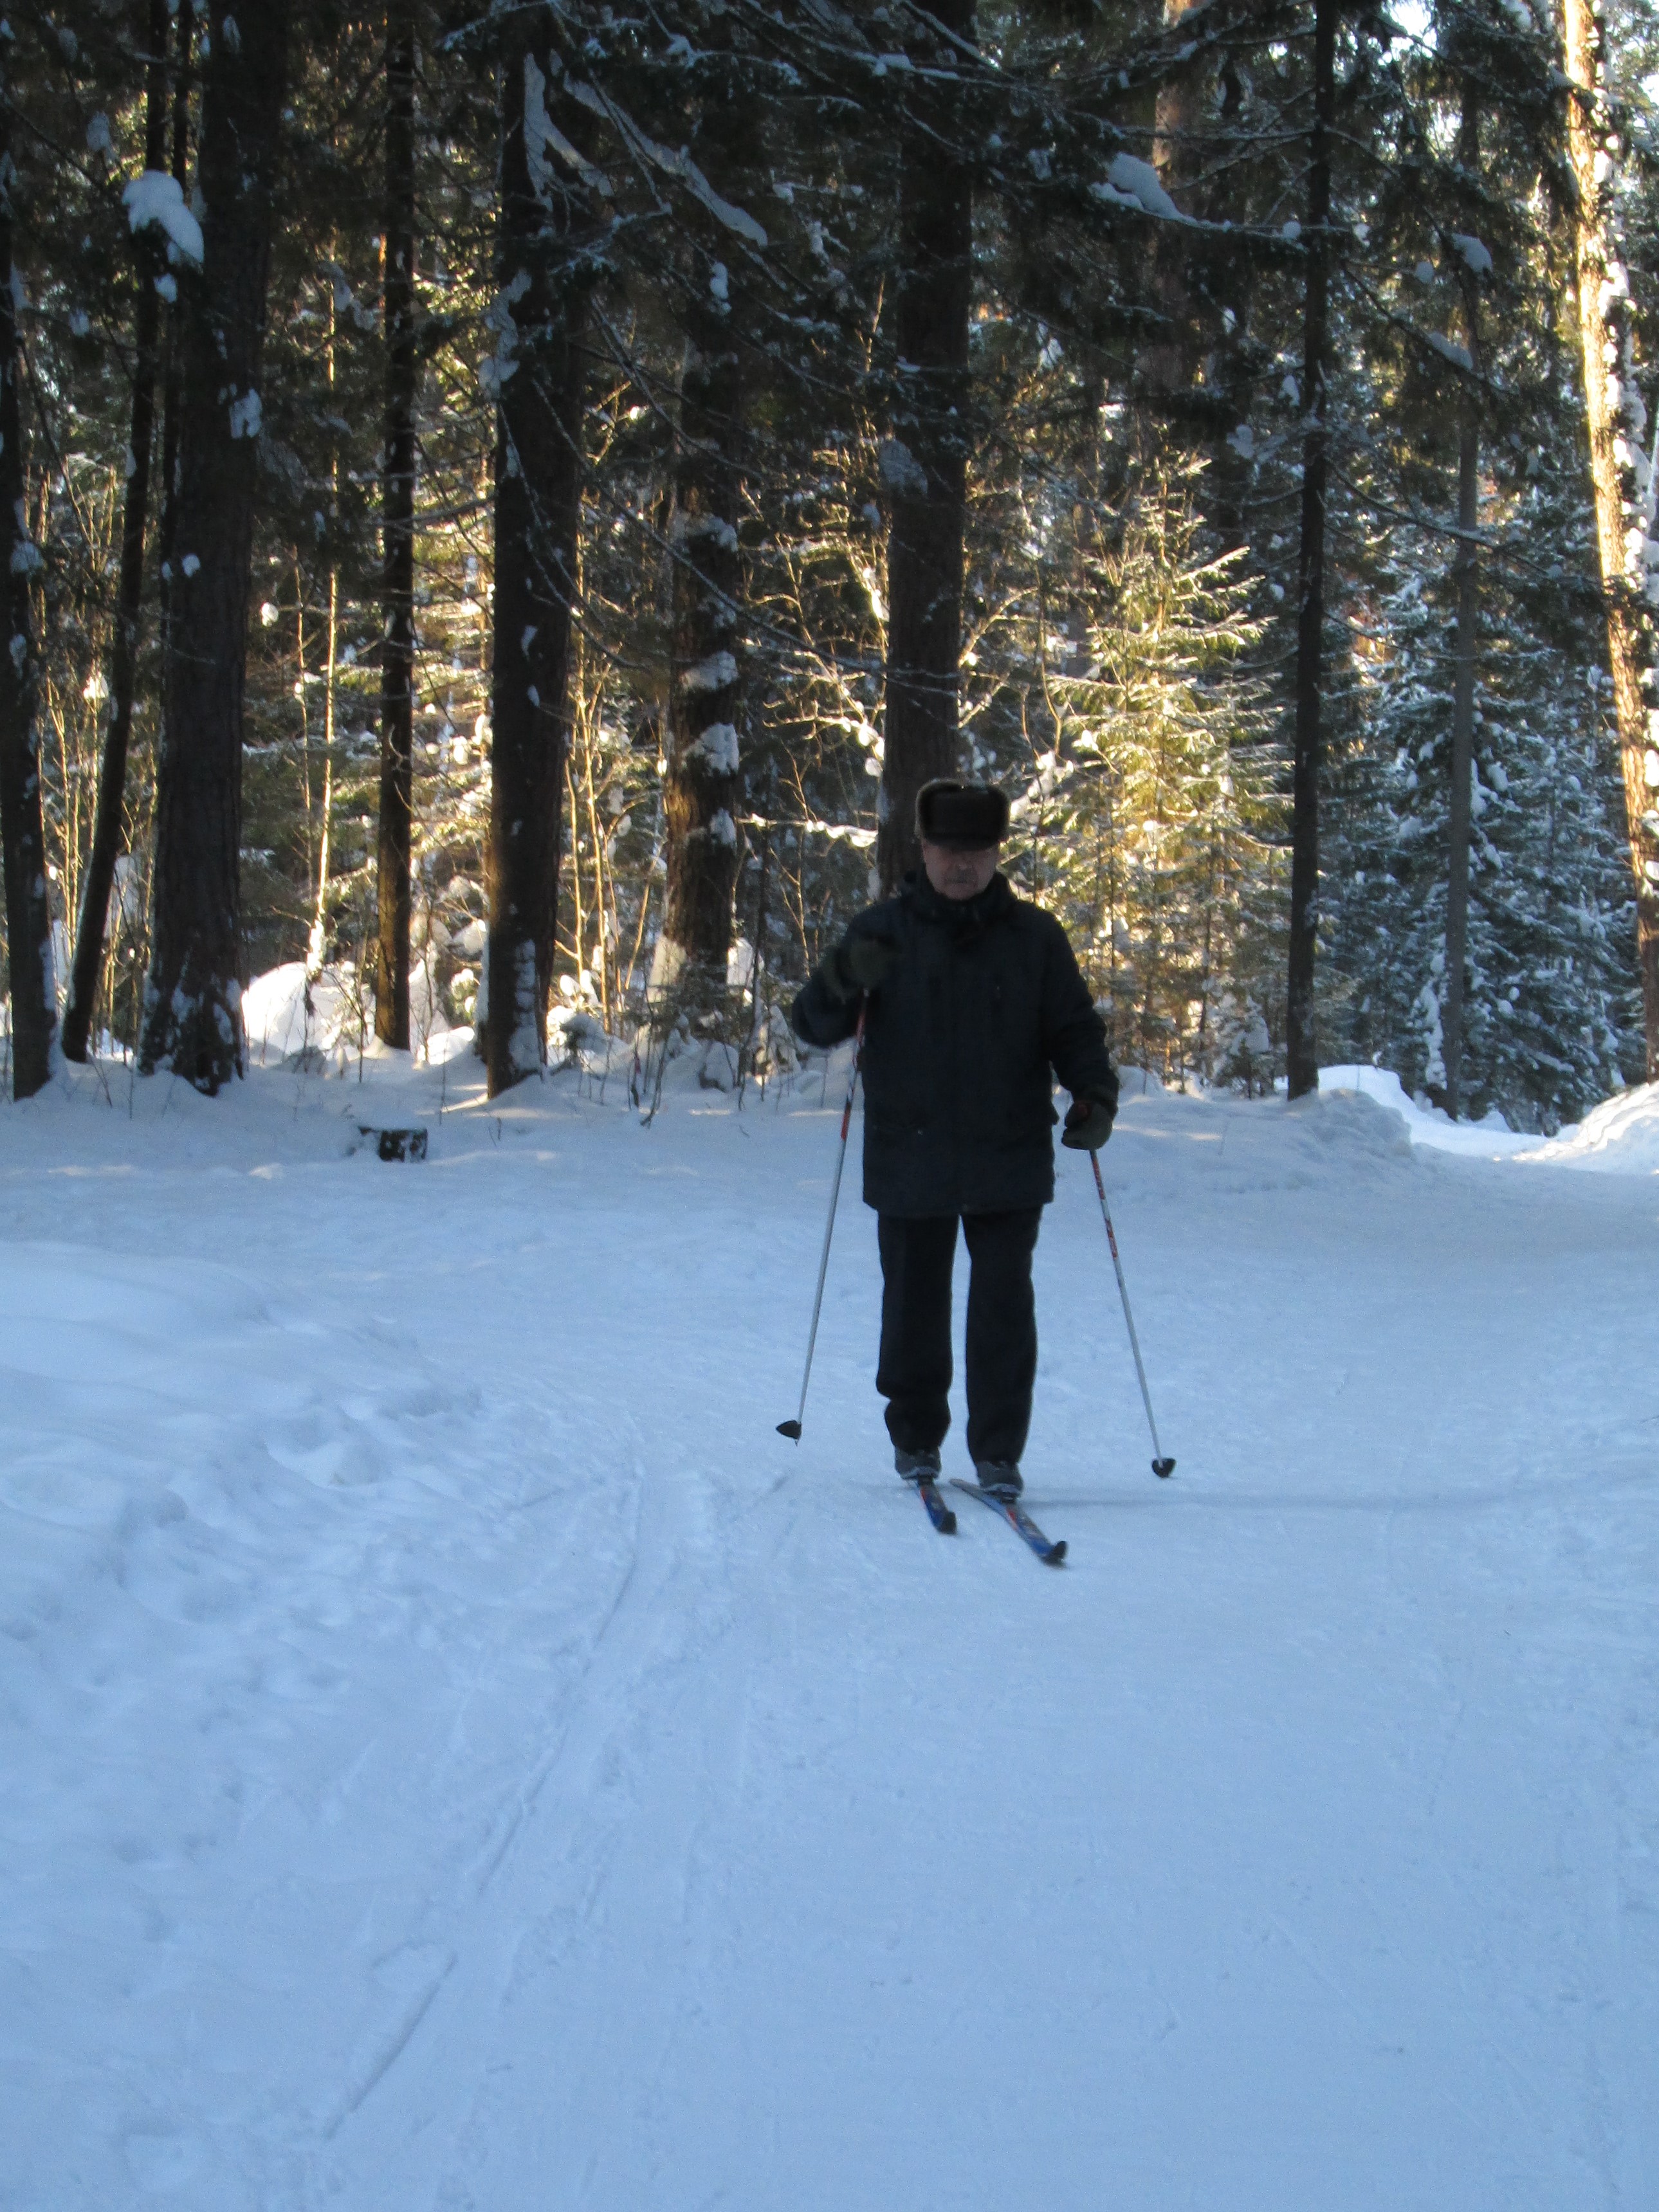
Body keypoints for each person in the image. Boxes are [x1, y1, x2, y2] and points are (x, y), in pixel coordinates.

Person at [790, 778, 1119, 1499]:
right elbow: (812, 1023)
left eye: (976, 850)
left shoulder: (1035, 938)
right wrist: (846, 978)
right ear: (925, 850)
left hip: (1008, 1150)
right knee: (912, 1305)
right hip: (909, 1151)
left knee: (1002, 1307)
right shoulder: (883, 933)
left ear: (997, 853)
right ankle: (915, 1441)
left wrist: (1093, 1094)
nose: (961, 865)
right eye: (947, 850)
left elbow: (1073, 1029)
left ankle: (997, 1452)